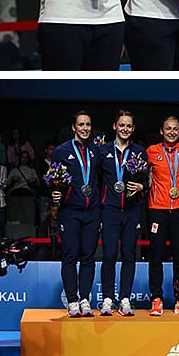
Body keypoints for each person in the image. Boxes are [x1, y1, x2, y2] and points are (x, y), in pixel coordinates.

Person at [98, 108, 148, 316]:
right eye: (122, 125)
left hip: (131, 210)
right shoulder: (103, 151)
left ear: (133, 128)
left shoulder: (139, 152)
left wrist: (142, 187)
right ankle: (108, 299)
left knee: (129, 255)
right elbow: (95, 179)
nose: (125, 129)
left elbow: (147, 179)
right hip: (109, 209)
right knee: (109, 255)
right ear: (114, 126)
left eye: (129, 125)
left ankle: (125, 298)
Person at [51, 110, 100, 315]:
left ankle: (85, 299)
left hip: (92, 212)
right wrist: (54, 193)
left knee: (88, 257)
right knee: (70, 256)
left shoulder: (96, 151)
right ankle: (72, 301)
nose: (85, 128)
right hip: (70, 211)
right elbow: (54, 178)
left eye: (88, 125)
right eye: (81, 124)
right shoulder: (62, 151)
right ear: (74, 127)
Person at [145, 113, 179, 316]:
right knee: (155, 255)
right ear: (161, 131)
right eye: (168, 129)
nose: (172, 132)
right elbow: (141, 176)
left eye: (175, 129)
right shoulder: (151, 151)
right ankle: (156, 298)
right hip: (157, 209)